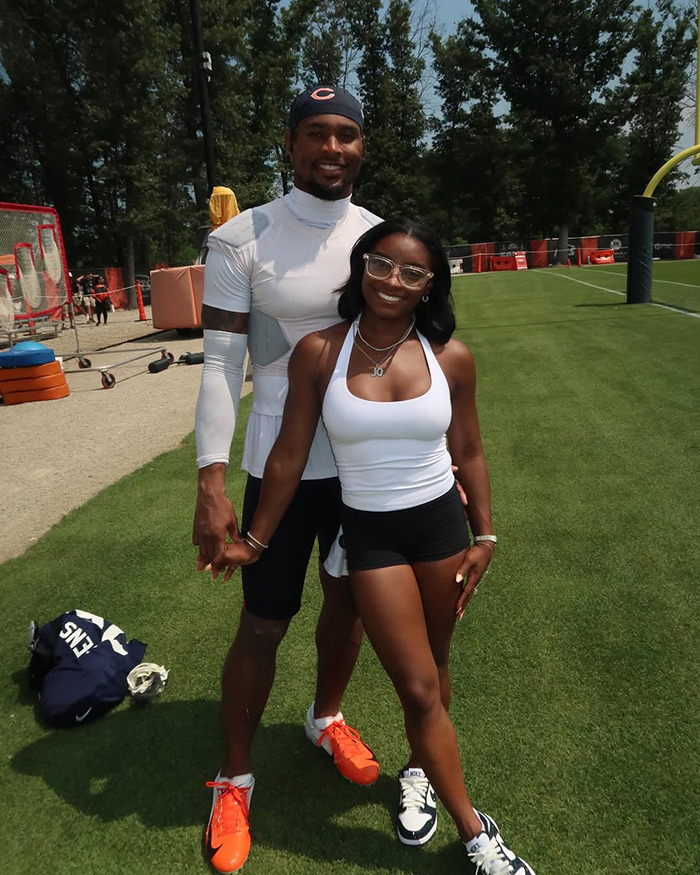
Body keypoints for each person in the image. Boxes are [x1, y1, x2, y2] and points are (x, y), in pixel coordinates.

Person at [207, 218, 537, 875]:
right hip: (372, 537)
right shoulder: (322, 352)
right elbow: (290, 454)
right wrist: (254, 539)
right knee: (417, 685)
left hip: (441, 528)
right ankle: (479, 834)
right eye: (382, 264)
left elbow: (468, 450)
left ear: (431, 285)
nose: (393, 280)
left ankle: (419, 772)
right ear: (362, 266)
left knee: (436, 666)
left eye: (412, 272)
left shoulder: (451, 357)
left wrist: (487, 534)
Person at [192, 86, 384, 875]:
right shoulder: (243, 237)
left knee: (351, 608)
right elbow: (218, 366)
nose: (331, 148)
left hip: (366, 468)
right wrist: (209, 481)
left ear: (360, 146)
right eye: (316, 135)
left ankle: (326, 716)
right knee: (264, 621)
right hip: (280, 467)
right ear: (290, 143)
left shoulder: (382, 236)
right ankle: (233, 780)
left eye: (345, 135)